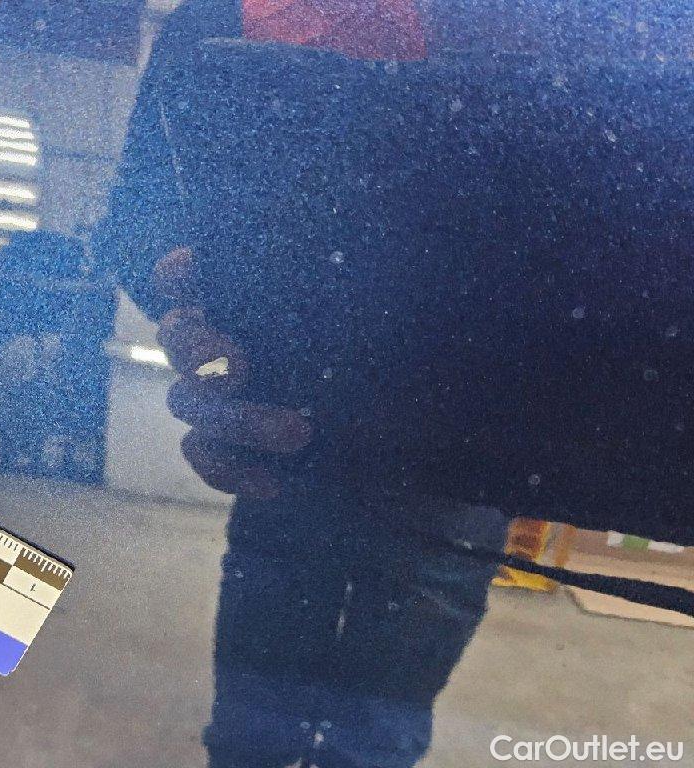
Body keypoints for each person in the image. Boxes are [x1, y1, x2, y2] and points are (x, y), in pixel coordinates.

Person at [93, 0, 694, 765]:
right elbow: (136, 219)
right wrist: (199, 305)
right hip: (319, 430)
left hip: (445, 440)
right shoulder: (233, 15)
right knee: (282, 717)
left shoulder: (603, 24)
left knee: (360, 722)